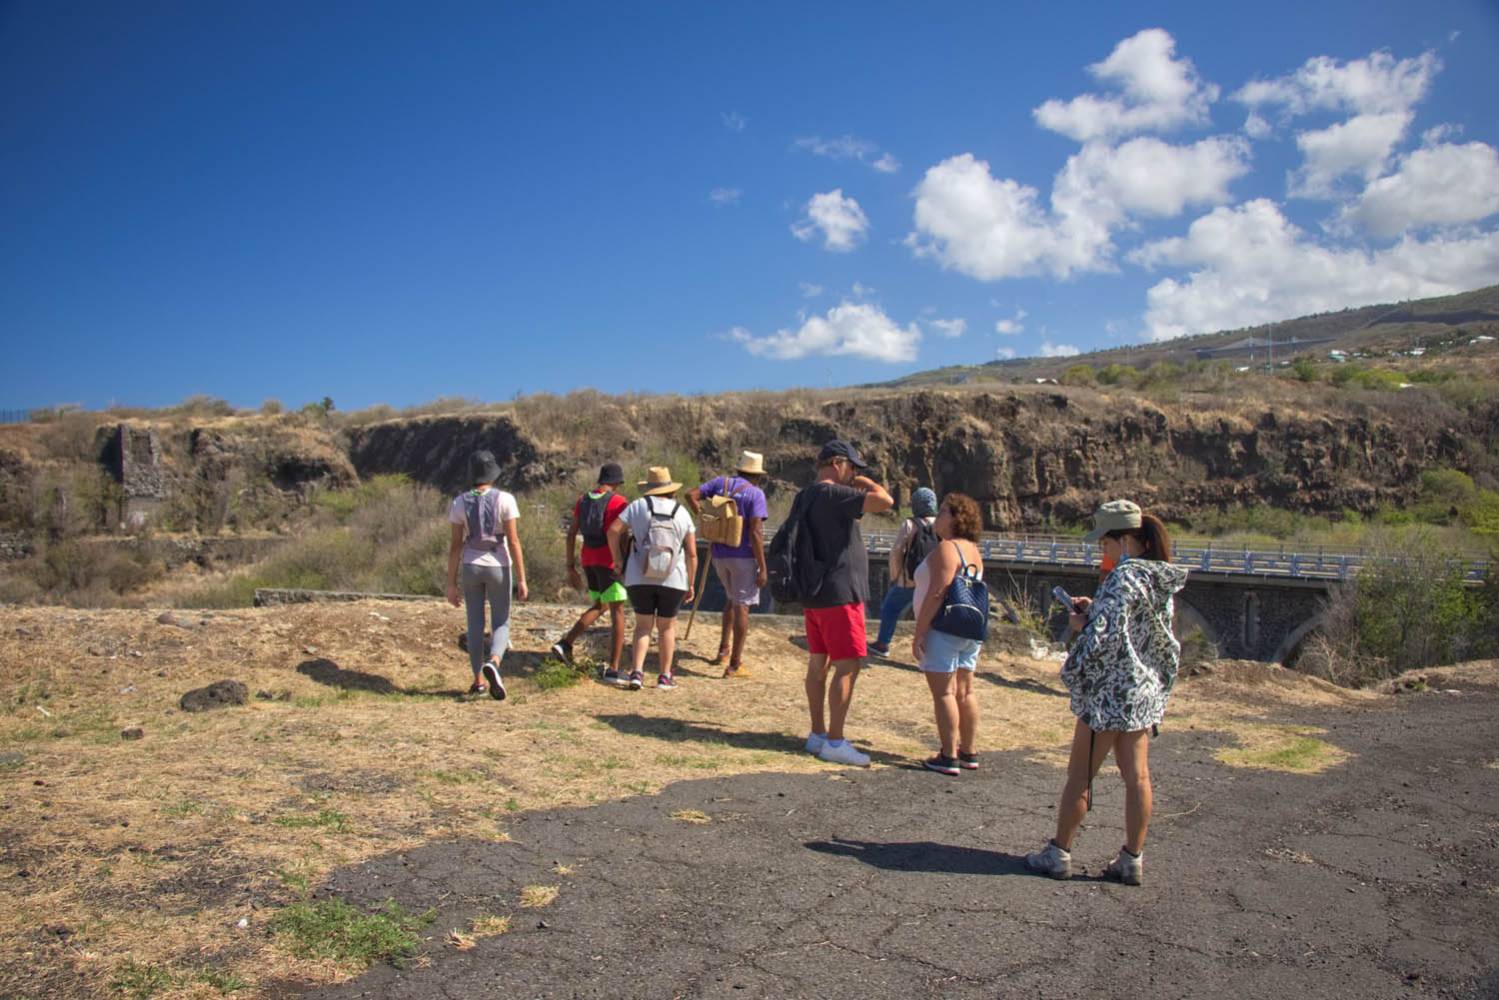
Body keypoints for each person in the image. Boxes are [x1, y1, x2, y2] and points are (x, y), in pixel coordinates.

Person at [1026, 499, 1186, 886]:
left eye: (1106, 543)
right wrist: (1096, 608)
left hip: (1109, 696)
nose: (1104, 551)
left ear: (1125, 540)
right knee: (1138, 778)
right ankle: (1133, 858)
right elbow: (1139, 626)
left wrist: (1082, 625)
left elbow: (1104, 637)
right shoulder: (1158, 576)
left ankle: (1059, 851)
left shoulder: (1123, 577)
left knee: (1080, 774)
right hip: (1142, 694)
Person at [799, 440, 893, 767]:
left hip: (815, 594)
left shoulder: (806, 495)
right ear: (838, 463)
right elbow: (885, 500)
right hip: (841, 593)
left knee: (818, 663)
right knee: (848, 665)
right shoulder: (836, 494)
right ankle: (835, 741)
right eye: (852, 467)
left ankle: (817, 734)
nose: (853, 474)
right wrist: (862, 482)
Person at [910, 492, 985, 776]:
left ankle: (948, 754)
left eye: (943, 511)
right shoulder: (973, 549)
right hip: (969, 628)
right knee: (965, 690)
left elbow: (937, 593)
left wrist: (919, 632)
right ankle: (969, 750)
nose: (937, 516)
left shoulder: (946, 549)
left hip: (943, 629)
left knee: (944, 693)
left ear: (956, 518)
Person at [445, 450, 528, 700]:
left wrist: (450, 583)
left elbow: (455, 545)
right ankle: (494, 661)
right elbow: (513, 541)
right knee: (501, 621)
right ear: (493, 473)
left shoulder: (459, 502)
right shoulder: (506, 499)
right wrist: (522, 578)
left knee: (474, 623)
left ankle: (478, 681)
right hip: (499, 565)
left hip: (471, 565)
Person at [608, 467, 697, 691]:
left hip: (639, 576)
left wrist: (617, 559)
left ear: (649, 488)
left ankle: (636, 672)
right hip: (673, 578)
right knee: (667, 628)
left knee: (642, 627)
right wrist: (691, 582)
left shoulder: (638, 506)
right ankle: (664, 676)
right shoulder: (682, 512)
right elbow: (693, 553)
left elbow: (613, 530)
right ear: (670, 489)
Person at [686, 451, 769, 678]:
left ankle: (723, 649)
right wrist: (762, 566)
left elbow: (690, 495)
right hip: (743, 557)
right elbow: (755, 531)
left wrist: (704, 519)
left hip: (718, 554)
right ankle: (734, 664)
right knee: (742, 605)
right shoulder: (755, 494)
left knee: (732, 600)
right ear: (757, 475)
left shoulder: (719, 484)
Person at [551, 463, 630, 682]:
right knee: (618, 612)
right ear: (616, 483)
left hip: (588, 559)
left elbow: (571, 534)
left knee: (600, 605)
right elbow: (621, 534)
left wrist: (570, 565)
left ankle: (565, 643)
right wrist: (622, 561)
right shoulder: (619, 502)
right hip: (609, 562)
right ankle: (614, 669)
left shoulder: (583, 500)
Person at [870, 486, 939, 656]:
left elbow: (896, 552)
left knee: (890, 608)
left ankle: (883, 644)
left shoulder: (910, 524)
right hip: (934, 582)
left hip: (909, 581)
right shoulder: (941, 525)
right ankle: (933, 652)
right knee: (932, 615)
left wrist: (896, 576)